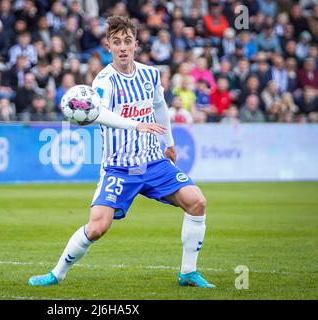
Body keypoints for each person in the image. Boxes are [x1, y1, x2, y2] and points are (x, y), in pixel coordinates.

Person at [28, 16, 215, 288]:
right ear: (109, 46)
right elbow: (99, 114)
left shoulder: (150, 74)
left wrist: (169, 143)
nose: (123, 47)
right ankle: (56, 274)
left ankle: (188, 272)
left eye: (128, 41)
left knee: (197, 202)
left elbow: (160, 107)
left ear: (136, 44)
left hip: (153, 162)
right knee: (97, 228)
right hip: (119, 167)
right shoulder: (104, 80)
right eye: (117, 42)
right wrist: (136, 125)